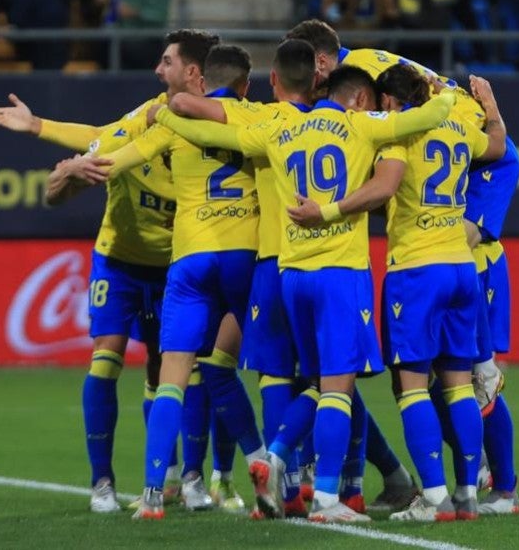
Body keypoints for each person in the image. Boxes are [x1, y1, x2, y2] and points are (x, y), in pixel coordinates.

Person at [153, 65, 456, 523]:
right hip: (339, 271)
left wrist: (167, 119)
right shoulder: (360, 124)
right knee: (338, 388)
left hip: (291, 275)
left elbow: (224, 137)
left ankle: (273, 459)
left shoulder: (280, 130)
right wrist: (445, 92)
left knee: (315, 385)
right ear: (357, 100)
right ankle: (329, 499)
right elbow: (426, 118)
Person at [283, 18, 519, 514]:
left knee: (419, 383)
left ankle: (449, 493)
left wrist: (328, 209)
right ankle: (466, 493)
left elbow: (388, 185)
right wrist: (493, 109)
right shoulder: (454, 119)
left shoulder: (387, 126)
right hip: (460, 269)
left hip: (422, 267)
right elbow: (499, 146)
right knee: (462, 381)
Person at [50, 32, 270, 522]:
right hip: (246, 258)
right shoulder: (263, 118)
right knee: (264, 372)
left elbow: (113, 158)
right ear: (246, 85)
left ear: (199, 77)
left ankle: (153, 495)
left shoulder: (169, 122)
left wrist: (81, 165)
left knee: (172, 375)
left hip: (189, 261)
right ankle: (277, 472)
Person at [0, 60, 181, 514]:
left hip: (173, 268)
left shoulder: (202, 143)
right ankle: (102, 483)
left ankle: (174, 476)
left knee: (164, 371)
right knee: (105, 360)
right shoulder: (137, 129)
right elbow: (92, 142)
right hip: (119, 263)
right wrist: (40, 131)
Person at [163, 39, 319, 517]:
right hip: (334, 265)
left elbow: (205, 121)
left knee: (270, 375)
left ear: (271, 83)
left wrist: (170, 113)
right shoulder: (346, 126)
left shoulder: (261, 124)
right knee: (330, 379)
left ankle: (280, 481)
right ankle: (317, 479)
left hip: (270, 264)